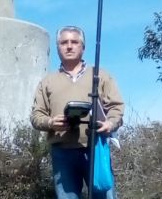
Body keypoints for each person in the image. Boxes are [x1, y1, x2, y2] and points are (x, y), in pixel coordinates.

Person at [30, 26, 124, 199]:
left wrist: (110, 123)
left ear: (83, 47)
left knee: (104, 195)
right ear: (57, 47)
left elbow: (117, 108)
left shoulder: (100, 76)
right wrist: (50, 122)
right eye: (63, 42)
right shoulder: (47, 82)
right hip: (62, 151)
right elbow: (36, 116)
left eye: (74, 42)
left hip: (95, 148)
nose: (69, 46)